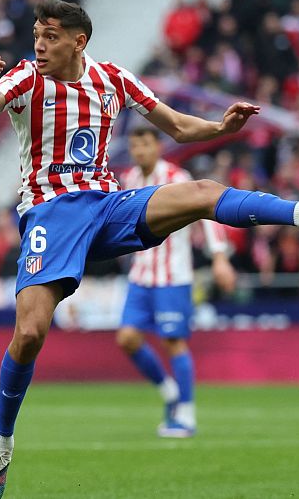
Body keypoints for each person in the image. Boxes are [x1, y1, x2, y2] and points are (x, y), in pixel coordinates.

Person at [0, 0, 299, 498]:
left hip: (107, 205)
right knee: (30, 334)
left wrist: (219, 127)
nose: (39, 43)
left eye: (51, 34)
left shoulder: (114, 79)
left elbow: (175, 124)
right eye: (37, 33)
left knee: (200, 191)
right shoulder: (24, 78)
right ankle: (1, 447)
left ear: (77, 41)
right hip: (51, 213)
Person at [117, 127, 237, 438]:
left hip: (173, 276)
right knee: (127, 338)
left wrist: (220, 257)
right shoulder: (130, 179)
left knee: (173, 341)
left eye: (145, 144)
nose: (140, 150)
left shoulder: (177, 177)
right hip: (141, 275)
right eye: (134, 145)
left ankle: (186, 414)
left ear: (157, 146)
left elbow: (207, 212)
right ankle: (169, 391)